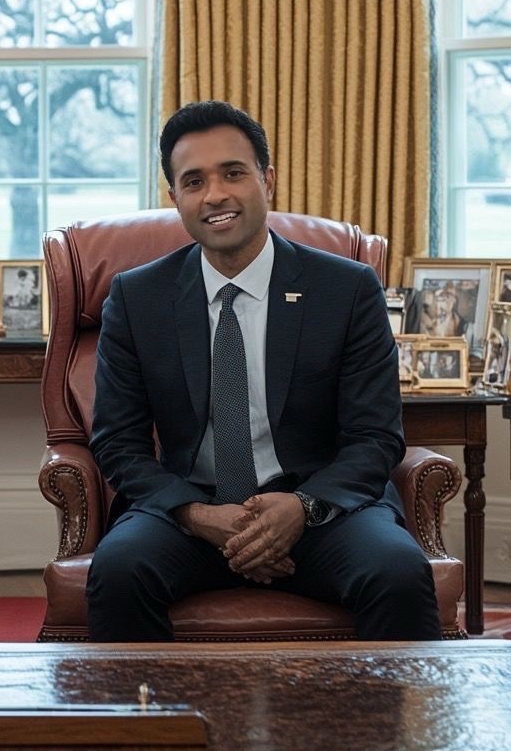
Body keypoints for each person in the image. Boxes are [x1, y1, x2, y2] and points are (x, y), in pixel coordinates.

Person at [87, 100, 441, 641]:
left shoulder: (345, 290)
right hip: (190, 513)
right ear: (175, 198)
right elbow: (117, 442)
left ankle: (384, 707)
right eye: (194, 181)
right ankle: (146, 705)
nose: (215, 195)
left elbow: (374, 437)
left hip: (322, 510)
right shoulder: (138, 298)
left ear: (267, 180)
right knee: (119, 572)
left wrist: (301, 507)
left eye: (233, 173)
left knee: (396, 572)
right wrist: (198, 515)